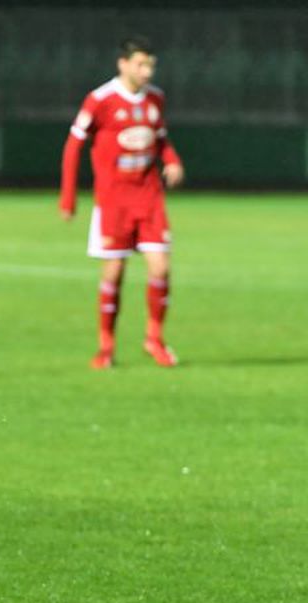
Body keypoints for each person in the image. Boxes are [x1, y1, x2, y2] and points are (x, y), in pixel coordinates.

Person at [60, 35, 184, 369]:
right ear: (124, 64)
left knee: (161, 267)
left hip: (149, 198)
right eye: (141, 64)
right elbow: (74, 146)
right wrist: (69, 196)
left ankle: (154, 338)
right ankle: (106, 345)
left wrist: (171, 160)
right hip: (113, 202)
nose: (147, 71)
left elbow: (160, 139)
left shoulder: (155, 99)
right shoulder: (100, 99)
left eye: (151, 65)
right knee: (114, 273)